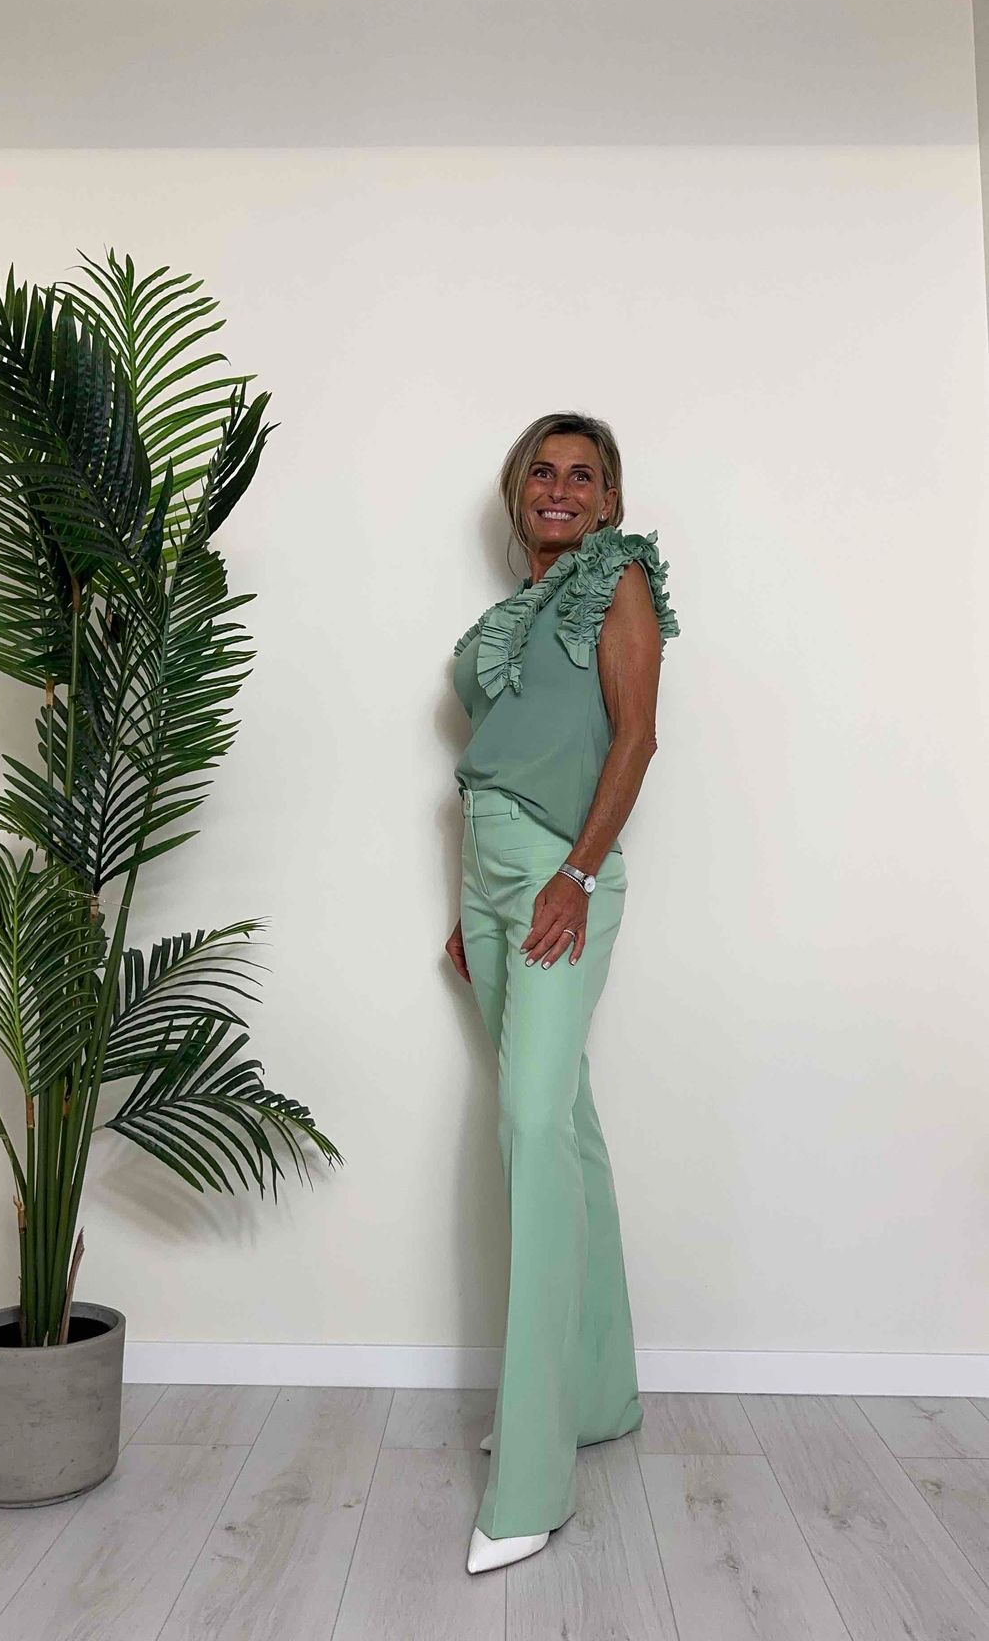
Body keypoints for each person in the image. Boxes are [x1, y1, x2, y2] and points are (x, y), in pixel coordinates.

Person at [445, 411, 680, 1574]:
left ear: (609, 500)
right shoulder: (517, 610)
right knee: (566, 1129)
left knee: (531, 1133)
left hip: (555, 871)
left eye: (583, 475)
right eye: (541, 471)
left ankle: (530, 1481)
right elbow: (510, 744)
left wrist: (576, 874)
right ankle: (591, 1397)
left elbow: (633, 740)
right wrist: (470, 904)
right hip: (487, 870)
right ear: (516, 491)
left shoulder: (616, 579)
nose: (560, 487)